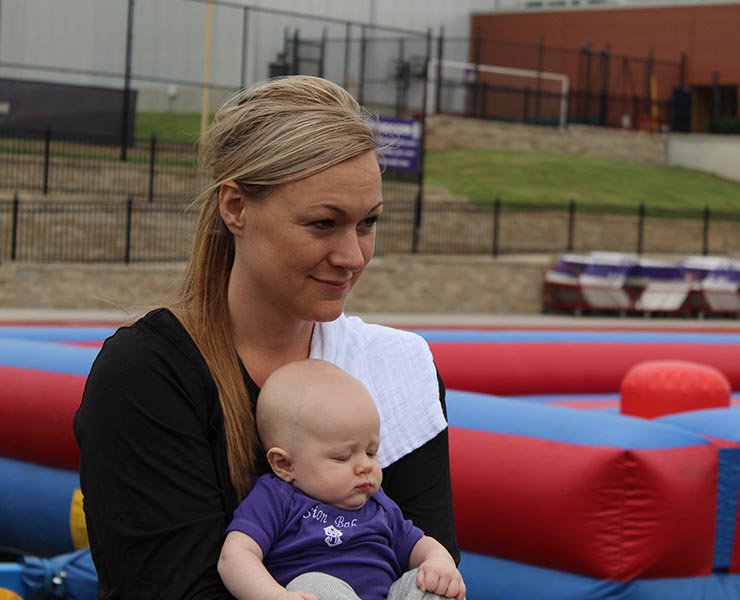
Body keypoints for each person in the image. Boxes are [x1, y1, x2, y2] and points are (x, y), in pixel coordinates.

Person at [73, 75, 459, 599]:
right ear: (235, 208)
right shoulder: (148, 375)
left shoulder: (397, 368)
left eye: (367, 223)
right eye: (323, 224)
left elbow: (431, 578)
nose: (353, 256)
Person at [218, 360, 465, 600]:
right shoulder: (276, 498)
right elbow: (236, 556)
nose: (365, 466)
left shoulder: (379, 506)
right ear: (285, 464)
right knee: (314, 583)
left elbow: (419, 545)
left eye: (371, 452)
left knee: (428, 586)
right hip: (312, 591)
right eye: (343, 457)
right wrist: (275, 595)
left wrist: (437, 562)